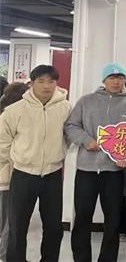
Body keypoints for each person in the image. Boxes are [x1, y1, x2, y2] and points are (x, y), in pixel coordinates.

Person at [65, 62, 126, 262]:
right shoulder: (86, 101)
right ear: (104, 80)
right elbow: (71, 126)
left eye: (120, 78)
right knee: (82, 217)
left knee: (113, 220)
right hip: (86, 170)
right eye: (112, 78)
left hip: (114, 172)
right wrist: (86, 140)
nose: (116, 82)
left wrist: (125, 155)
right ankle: (81, 258)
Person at [0, 66, 71, 262]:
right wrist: (18, 158)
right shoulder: (15, 111)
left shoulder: (66, 108)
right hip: (23, 173)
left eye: (51, 81)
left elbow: (70, 135)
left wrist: (59, 152)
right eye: (41, 81)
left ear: (56, 83)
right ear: (31, 83)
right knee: (17, 226)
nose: (46, 86)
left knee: (53, 226)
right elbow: (2, 141)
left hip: (53, 173)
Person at [0, 82, 28, 262]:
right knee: (10, 221)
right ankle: (6, 255)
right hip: (9, 176)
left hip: (6, 176)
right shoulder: (11, 116)